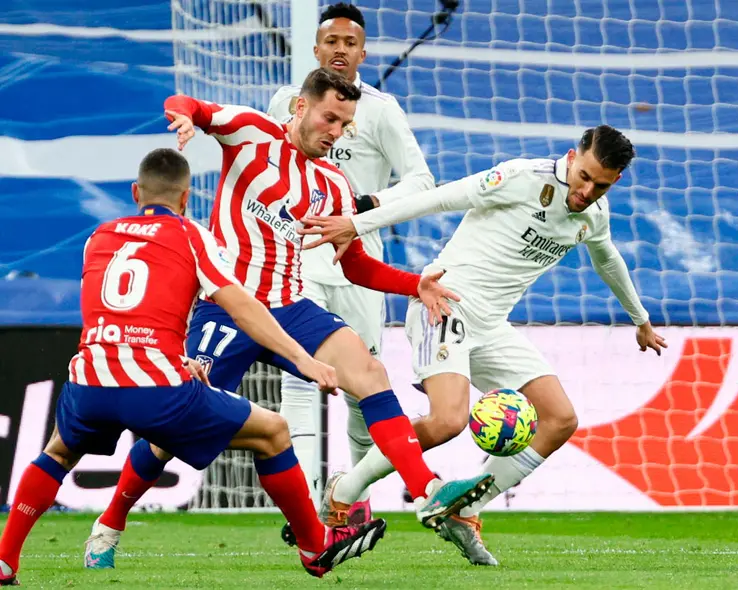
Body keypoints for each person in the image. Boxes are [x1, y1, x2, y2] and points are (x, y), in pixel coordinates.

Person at [81, 68, 492, 569]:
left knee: (370, 372)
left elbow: (355, 264)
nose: (336, 132)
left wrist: (415, 284)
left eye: (344, 125)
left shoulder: (334, 184)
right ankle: (111, 522)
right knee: (168, 435)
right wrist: (185, 120)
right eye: (330, 118)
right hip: (227, 306)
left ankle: (425, 488)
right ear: (301, 107)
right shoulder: (250, 132)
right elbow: (187, 101)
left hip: (291, 307)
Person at [0, 149, 386, 585]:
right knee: (274, 432)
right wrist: (303, 359)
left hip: (90, 380)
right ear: (186, 197)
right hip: (156, 391)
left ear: (135, 192)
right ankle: (316, 548)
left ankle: (6, 558)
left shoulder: (99, 237)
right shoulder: (190, 234)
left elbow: (110, 312)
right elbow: (241, 307)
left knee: (56, 452)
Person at [297, 125, 667, 565]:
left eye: (599, 184)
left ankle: (466, 510)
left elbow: (608, 259)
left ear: (616, 181)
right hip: (446, 304)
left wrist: (640, 320)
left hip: (492, 326)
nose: (586, 190)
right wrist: (356, 224)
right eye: (583, 176)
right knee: (448, 420)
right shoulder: (521, 178)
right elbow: (439, 198)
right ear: (572, 156)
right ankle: (345, 490)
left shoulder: (593, 216)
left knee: (560, 419)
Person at [265, 2, 435, 528]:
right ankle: (305, 507)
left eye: (350, 42)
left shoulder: (381, 110)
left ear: (363, 52)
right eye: (331, 40)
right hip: (295, 263)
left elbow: (421, 183)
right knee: (299, 376)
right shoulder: (285, 102)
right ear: (316, 50)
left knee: (365, 391)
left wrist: (360, 209)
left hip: (357, 264)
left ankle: (352, 496)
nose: (340, 49)